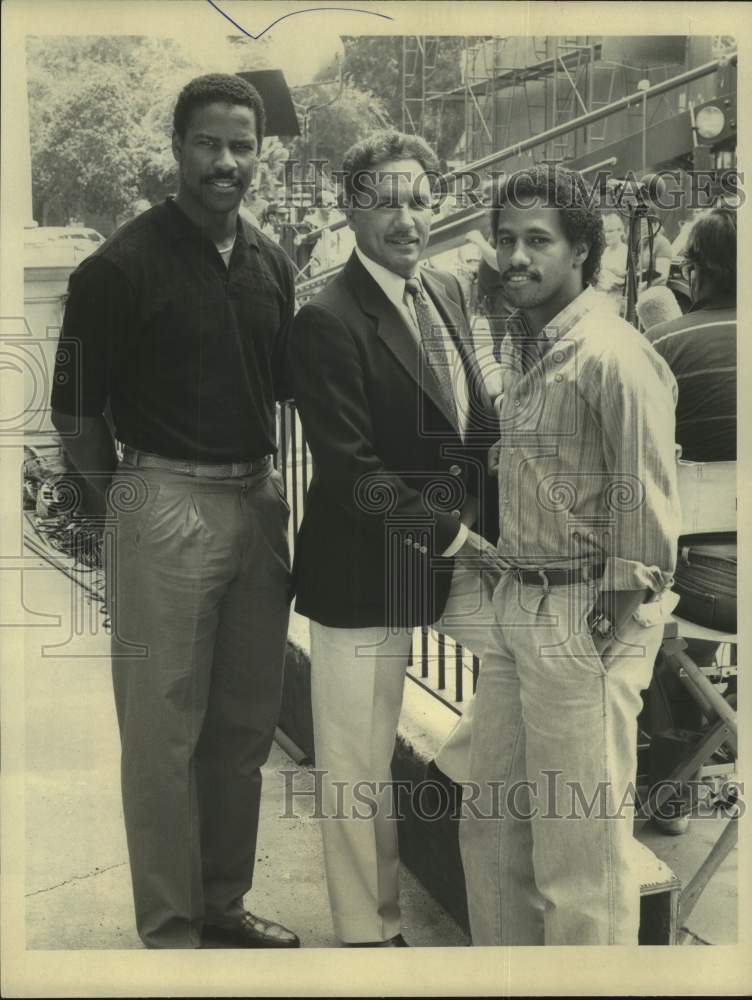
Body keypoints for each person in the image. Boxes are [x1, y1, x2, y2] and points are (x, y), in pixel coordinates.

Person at [50, 73, 299, 950]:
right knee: (162, 732)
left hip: (257, 501)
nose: (226, 161)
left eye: (242, 146)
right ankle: (170, 929)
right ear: (177, 147)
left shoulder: (272, 261)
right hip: (163, 498)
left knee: (243, 726)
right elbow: (75, 413)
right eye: (208, 143)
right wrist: (126, 501)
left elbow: (283, 386)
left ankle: (223, 905)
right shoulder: (117, 268)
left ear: (260, 155)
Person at [288, 129, 500, 947]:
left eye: (419, 199)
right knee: (357, 761)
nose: (407, 218)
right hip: (361, 568)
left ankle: (451, 767)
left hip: (451, 554)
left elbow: (474, 421)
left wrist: (504, 512)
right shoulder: (326, 320)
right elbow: (353, 471)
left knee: (547, 651)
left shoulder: (443, 287)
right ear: (351, 210)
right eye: (384, 202)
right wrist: (454, 535)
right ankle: (369, 931)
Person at [460, 165, 681, 946]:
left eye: (538, 241)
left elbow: (645, 504)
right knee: (491, 829)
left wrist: (605, 628)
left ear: (581, 250)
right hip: (519, 608)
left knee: (579, 860)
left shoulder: (612, 354)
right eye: (507, 240)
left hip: (581, 616)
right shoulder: (531, 347)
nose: (516, 257)